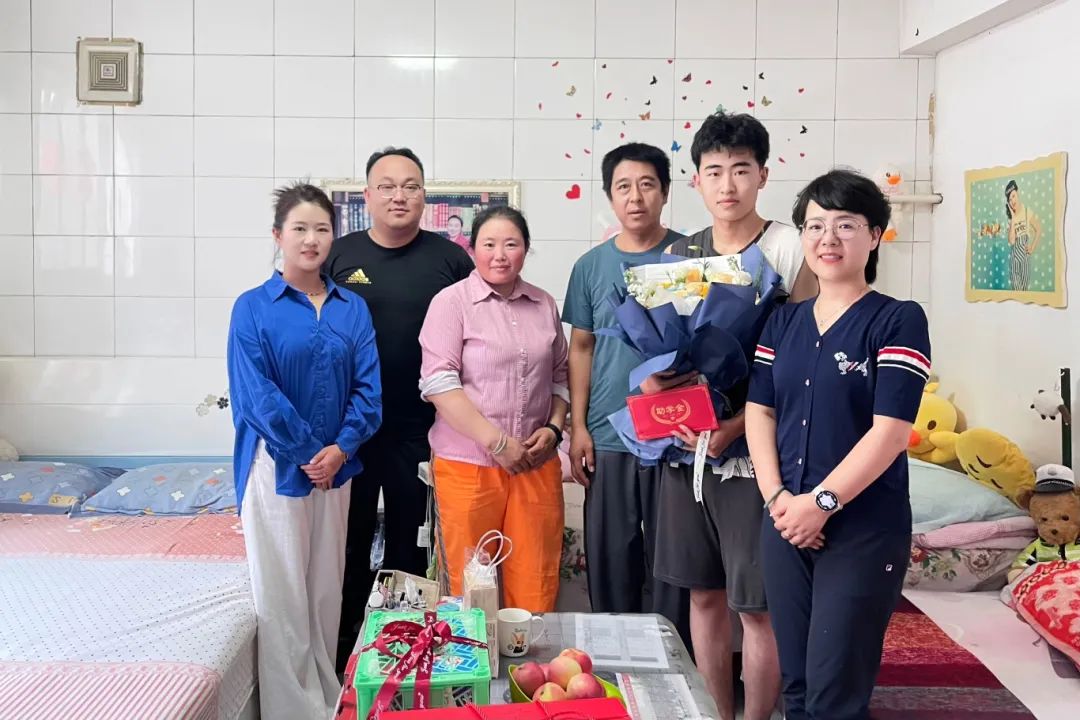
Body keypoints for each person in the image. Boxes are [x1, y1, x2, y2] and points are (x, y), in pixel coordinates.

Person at [745, 169, 931, 720]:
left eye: (845, 225)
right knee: (797, 687)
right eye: (815, 225)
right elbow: (759, 411)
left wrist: (821, 503)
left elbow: (890, 432)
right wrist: (778, 498)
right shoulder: (783, 322)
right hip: (785, 522)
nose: (828, 238)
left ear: (873, 236)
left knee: (835, 693)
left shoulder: (897, 320)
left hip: (861, 529)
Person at [651, 112, 817, 720]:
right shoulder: (679, 253)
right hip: (690, 450)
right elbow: (664, 355)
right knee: (703, 595)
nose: (728, 184)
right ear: (697, 180)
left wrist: (737, 424)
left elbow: (804, 357)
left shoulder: (790, 247)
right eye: (714, 171)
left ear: (763, 175)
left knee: (758, 607)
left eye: (741, 170)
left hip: (759, 454)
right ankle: (718, 712)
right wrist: (665, 396)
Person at [227, 182, 381, 719]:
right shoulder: (252, 308)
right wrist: (309, 452)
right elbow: (255, 395)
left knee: (324, 591)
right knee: (283, 594)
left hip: (337, 468)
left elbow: (369, 389)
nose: (311, 239)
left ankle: (326, 695)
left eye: (321, 228)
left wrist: (340, 449)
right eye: (300, 228)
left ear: (333, 236)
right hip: (274, 466)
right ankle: (292, 710)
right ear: (278, 236)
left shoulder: (352, 308)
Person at [324, 148, 474, 668]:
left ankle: (406, 652)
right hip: (350, 434)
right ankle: (343, 653)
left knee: (413, 547)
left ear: (424, 196)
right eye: (386, 186)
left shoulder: (450, 260)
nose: (398, 196)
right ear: (367, 196)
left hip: (424, 432)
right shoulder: (338, 256)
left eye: (410, 186)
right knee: (348, 544)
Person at [562, 142, 691, 646]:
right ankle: (613, 660)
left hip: (676, 432)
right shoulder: (590, 266)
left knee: (673, 559)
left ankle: (675, 659)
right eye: (623, 187)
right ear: (610, 196)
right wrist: (578, 428)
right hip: (609, 433)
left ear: (665, 192)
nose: (635, 197)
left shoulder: (690, 257)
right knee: (611, 556)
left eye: (647, 185)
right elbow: (581, 348)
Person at [419, 206, 569, 611]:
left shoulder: (543, 304)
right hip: (468, 465)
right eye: (489, 244)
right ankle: (470, 654)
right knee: (469, 585)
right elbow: (439, 383)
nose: (499, 255)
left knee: (536, 580)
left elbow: (560, 375)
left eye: (511, 244)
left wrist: (554, 429)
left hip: (535, 462)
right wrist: (498, 443)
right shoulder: (451, 303)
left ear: (526, 249)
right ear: (472, 249)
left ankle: (529, 655)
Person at [1005, 179, 1042, 291]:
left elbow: (1039, 229)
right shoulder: (1010, 219)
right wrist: (1013, 218)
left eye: (1013, 196)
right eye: (1010, 199)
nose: (1012, 200)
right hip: (1014, 258)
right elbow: (1012, 241)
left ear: (1018, 193)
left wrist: (1032, 247)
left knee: (1024, 290)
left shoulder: (1026, 212)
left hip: (1025, 258)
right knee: (1016, 290)